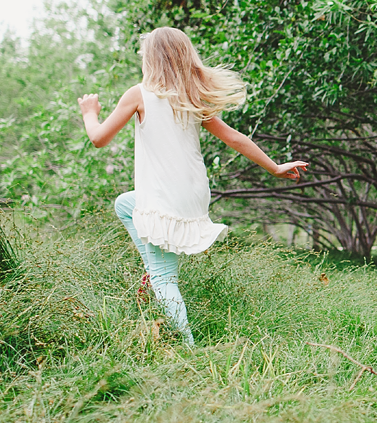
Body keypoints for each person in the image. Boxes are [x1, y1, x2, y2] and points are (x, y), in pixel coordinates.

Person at [78, 26, 307, 345]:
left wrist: (90, 113)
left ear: (151, 60)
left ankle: (188, 348)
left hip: (164, 200)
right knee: (125, 204)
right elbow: (234, 138)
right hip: (192, 196)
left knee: (164, 278)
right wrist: (276, 167)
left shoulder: (139, 94)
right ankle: (151, 262)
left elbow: (98, 138)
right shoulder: (190, 96)